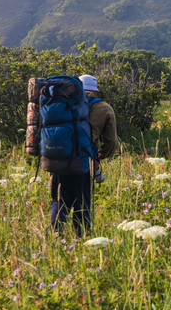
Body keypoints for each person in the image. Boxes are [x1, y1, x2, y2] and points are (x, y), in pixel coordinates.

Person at [50, 74, 118, 236]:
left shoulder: (61, 103)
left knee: (60, 201)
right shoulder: (104, 108)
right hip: (84, 161)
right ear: (94, 90)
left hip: (58, 160)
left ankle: (54, 237)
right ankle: (81, 238)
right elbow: (111, 143)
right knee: (82, 204)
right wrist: (98, 157)